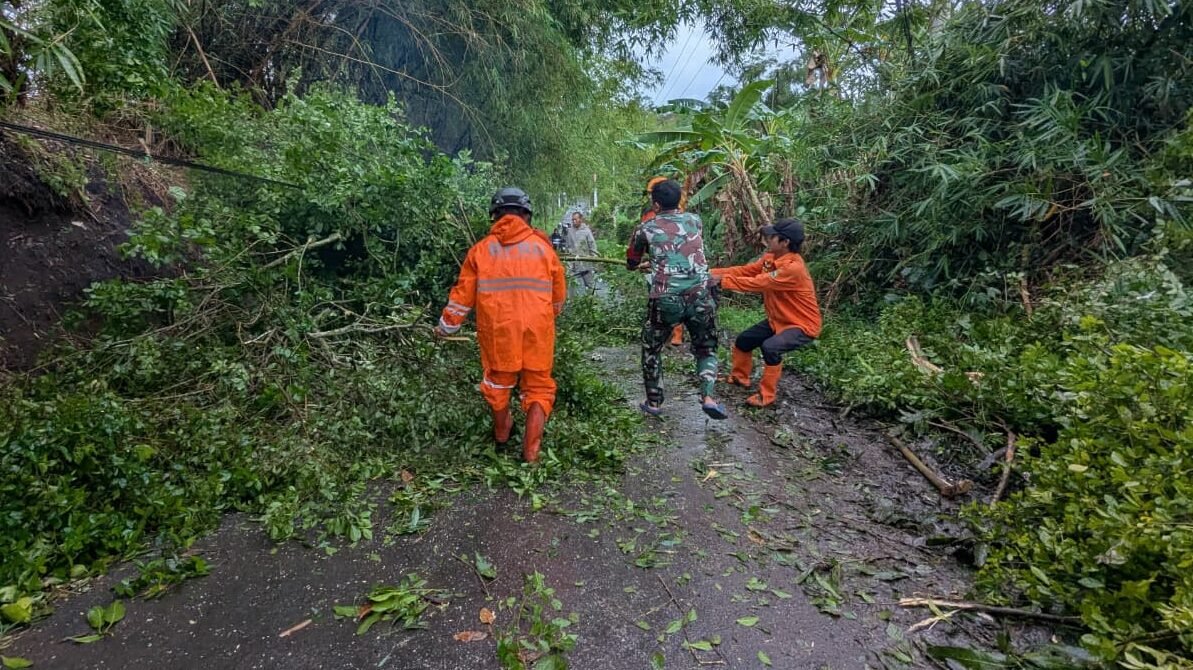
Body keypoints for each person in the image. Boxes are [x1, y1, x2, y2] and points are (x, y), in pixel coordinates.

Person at [435, 187, 568, 463]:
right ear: (526, 214)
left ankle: (502, 432)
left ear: (494, 215)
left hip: (499, 332)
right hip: (538, 330)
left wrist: (446, 326)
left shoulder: (480, 251)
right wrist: (545, 318)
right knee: (539, 388)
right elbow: (558, 297)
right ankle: (531, 453)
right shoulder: (543, 248)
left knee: (497, 384)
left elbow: (462, 296)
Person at [626, 179, 727, 420]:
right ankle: (709, 397)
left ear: (656, 204)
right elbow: (684, 248)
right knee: (706, 349)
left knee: (652, 348)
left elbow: (631, 262)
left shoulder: (646, 228)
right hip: (700, 294)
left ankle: (654, 402)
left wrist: (646, 263)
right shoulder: (695, 221)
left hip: (666, 298)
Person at [710, 218, 821, 407]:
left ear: (785, 242)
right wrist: (710, 272)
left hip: (801, 325)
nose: (767, 239)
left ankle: (766, 395)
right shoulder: (770, 258)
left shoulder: (793, 268)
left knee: (771, 347)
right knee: (744, 341)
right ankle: (739, 377)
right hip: (778, 319)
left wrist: (721, 281)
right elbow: (746, 271)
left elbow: (759, 283)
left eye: (772, 237)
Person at [627, 181, 684, 347]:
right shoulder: (693, 221)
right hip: (668, 268)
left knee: (666, 300)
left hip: (668, 276)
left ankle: (672, 336)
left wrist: (635, 264)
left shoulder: (649, 222)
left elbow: (633, 258)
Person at [567, 212, 598, 290]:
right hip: (574, 263)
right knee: (571, 286)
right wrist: (569, 262)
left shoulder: (586, 231)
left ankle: (592, 300)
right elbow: (568, 246)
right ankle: (572, 301)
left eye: (575, 219)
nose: (574, 221)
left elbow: (592, 245)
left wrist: (595, 260)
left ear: (580, 219)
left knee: (590, 285)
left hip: (586, 263)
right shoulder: (570, 231)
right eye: (572, 219)